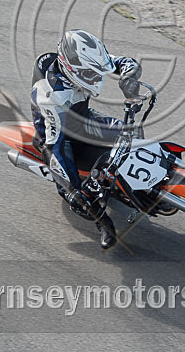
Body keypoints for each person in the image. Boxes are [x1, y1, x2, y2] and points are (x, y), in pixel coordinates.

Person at [31, 29, 142, 249]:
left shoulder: (79, 61)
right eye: (92, 74)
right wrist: (73, 192)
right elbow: (55, 149)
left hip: (81, 118)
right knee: (78, 197)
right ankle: (102, 222)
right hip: (57, 135)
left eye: (96, 73)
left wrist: (129, 76)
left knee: (133, 134)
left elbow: (122, 63)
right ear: (74, 70)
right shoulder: (53, 95)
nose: (97, 78)